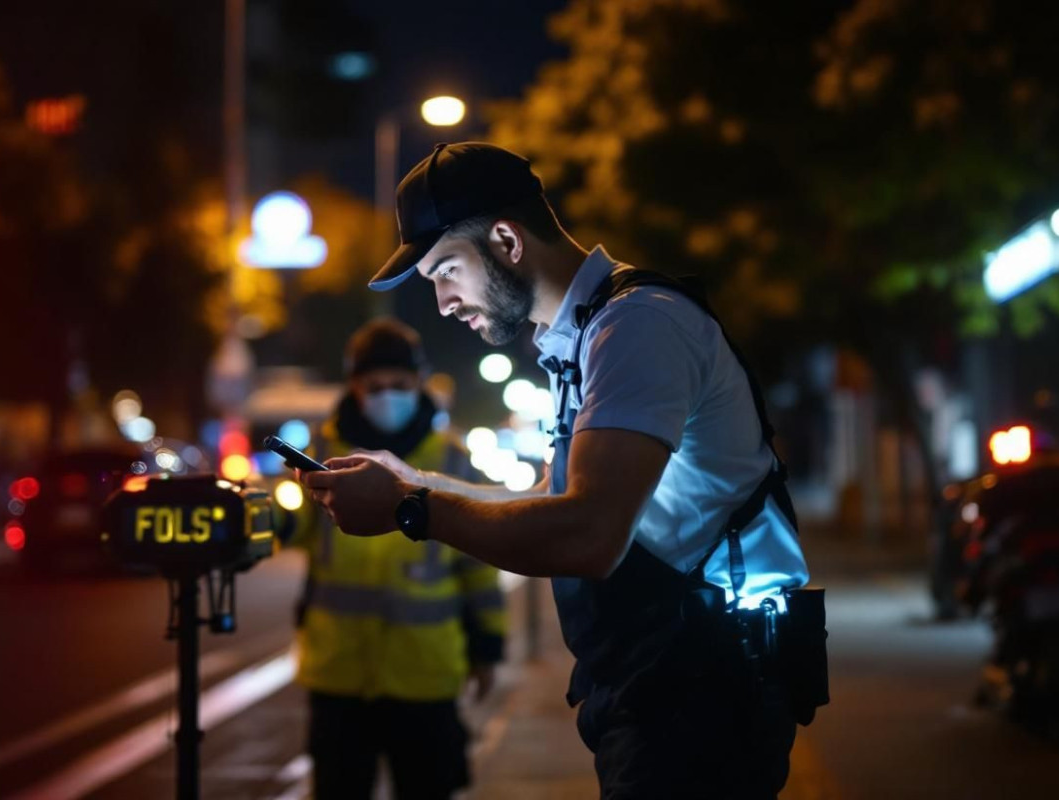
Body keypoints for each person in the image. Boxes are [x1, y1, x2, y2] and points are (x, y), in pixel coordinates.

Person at [302, 142, 820, 799]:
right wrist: (410, 480)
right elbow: (556, 502)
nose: (442, 302)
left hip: (703, 696)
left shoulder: (637, 327)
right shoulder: (587, 335)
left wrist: (411, 511)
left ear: (505, 240)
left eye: (446, 270)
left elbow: (588, 535)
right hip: (665, 686)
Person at [283, 318, 506, 800]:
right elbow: (294, 531)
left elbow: (478, 566)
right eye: (375, 385)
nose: (388, 395)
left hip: (425, 675)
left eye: (399, 385)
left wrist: (487, 650)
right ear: (354, 385)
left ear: (419, 382)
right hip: (339, 675)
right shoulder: (320, 453)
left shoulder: (453, 459)